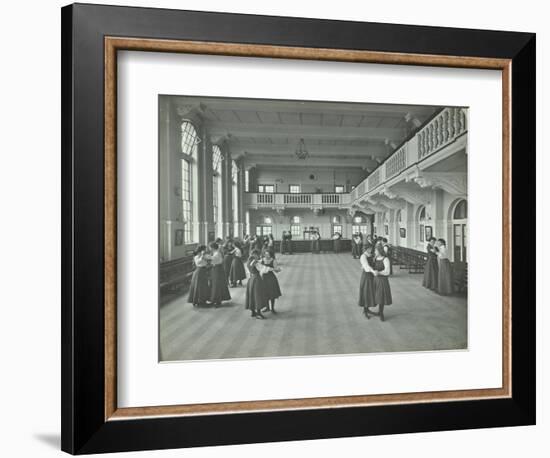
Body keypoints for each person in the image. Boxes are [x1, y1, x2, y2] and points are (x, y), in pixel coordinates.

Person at [368, 243, 393, 321]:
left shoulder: (385, 259)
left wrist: (379, 273)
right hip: (375, 279)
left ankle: (381, 312)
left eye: (375, 250)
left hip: (382, 280)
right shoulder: (375, 258)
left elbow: (387, 271)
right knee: (376, 295)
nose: (374, 252)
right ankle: (378, 311)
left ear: (379, 250)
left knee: (381, 296)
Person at [245, 250, 268, 319]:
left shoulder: (248, 261)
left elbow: (248, 271)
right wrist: (271, 268)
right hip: (257, 279)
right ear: (255, 255)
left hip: (251, 279)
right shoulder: (255, 262)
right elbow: (264, 270)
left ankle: (253, 312)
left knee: (252, 295)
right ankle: (258, 313)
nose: (259, 256)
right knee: (258, 296)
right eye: (258, 255)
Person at [208, 242, 231, 307]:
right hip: (216, 269)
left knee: (216, 285)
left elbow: (212, 259)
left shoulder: (217, 253)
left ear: (212, 247)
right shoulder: (215, 253)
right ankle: (215, 299)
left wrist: (204, 256)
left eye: (210, 247)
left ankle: (217, 300)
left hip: (217, 269)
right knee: (215, 284)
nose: (209, 248)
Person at [358, 245, 376, 318]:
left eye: (371, 248)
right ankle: (365, 310)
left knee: (370, 292)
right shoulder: (363, 256)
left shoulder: (371, 255)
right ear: (365, 249)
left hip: (371, 276)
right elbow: (366, 267)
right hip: (366, 275)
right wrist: (373, 271)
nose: (370, 250)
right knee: (366, 292)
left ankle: (367, 308)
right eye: (369, 248)